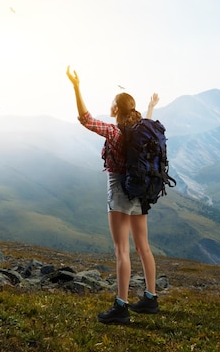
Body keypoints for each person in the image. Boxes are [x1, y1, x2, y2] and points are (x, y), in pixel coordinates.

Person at [66, 66, 160, 325]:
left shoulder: (115, 132)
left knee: (122, 251)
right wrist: (151, 106)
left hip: (119, 192)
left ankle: (121, 306)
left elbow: (85, 119)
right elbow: (149, 124)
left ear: (117, 109)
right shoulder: (141, 129)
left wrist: (76, 86)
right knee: (143, 248)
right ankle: (150, 298)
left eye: (111, 104)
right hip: (140, 193)